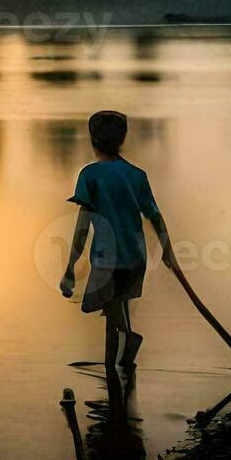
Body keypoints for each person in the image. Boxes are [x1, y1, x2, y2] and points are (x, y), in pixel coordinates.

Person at [59, 111, 178, 368]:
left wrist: (70, 268)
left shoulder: (90, 175)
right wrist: (168, 252)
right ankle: (122, 377)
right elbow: (155, 217)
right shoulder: (136, 175)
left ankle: (117, 369)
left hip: (107, 260)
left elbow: (82, 228)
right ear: (122, 139)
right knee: (116, 313)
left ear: (93, 140)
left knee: (113, 321)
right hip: (135, 258)